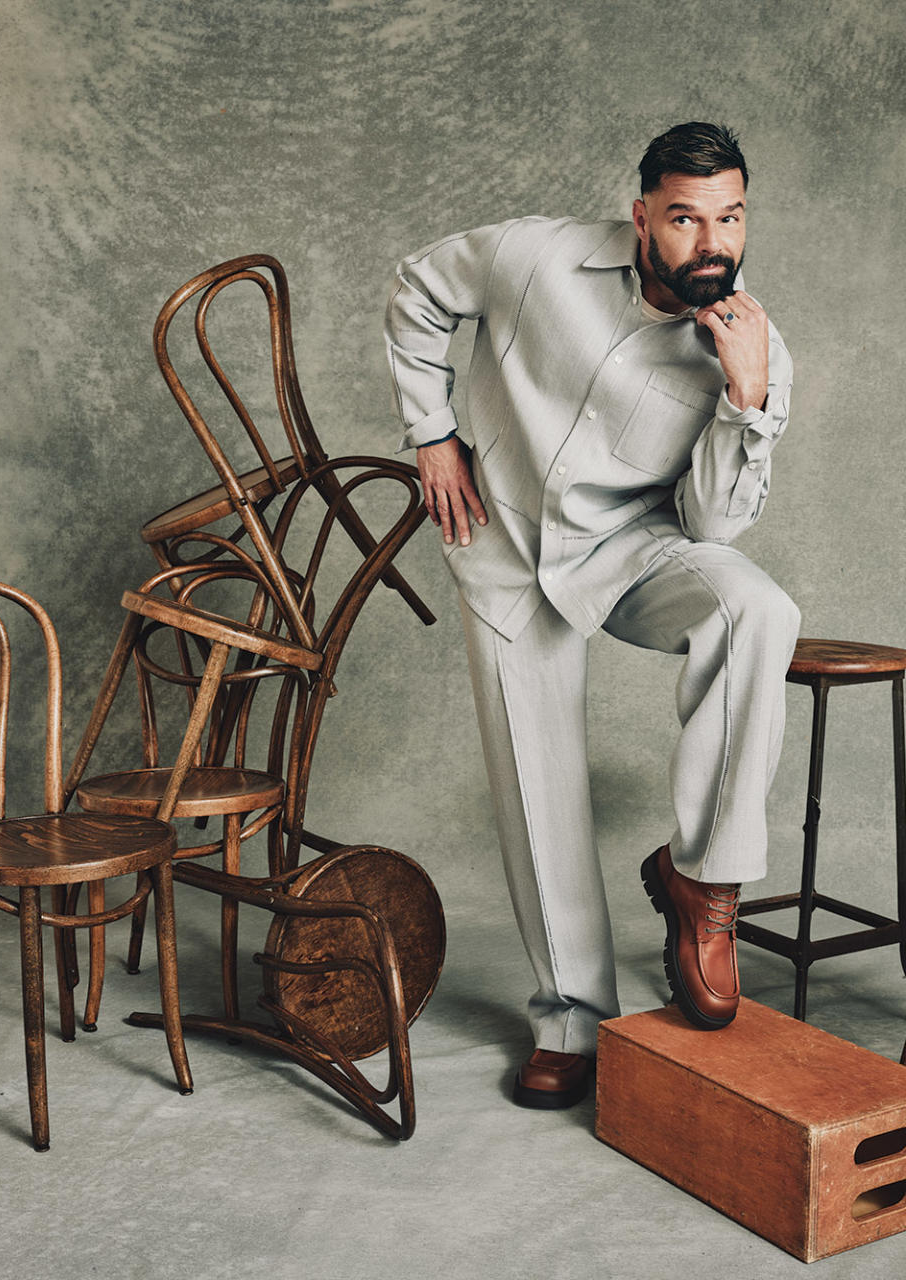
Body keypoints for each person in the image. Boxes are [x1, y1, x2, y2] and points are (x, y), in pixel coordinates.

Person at [385, 122, 800, 1109]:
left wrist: (747, 400)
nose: (713, 241)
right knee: (539, 780)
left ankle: (705, 884)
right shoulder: (533, 256)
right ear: (643, 216)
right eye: (687, 217)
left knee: (756, 608)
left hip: (632, 550)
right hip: (505, 541)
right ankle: (570, 1018)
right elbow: (417, 286)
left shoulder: (755, 348)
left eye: (730, 217)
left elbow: (711, 523)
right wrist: (431, 434)